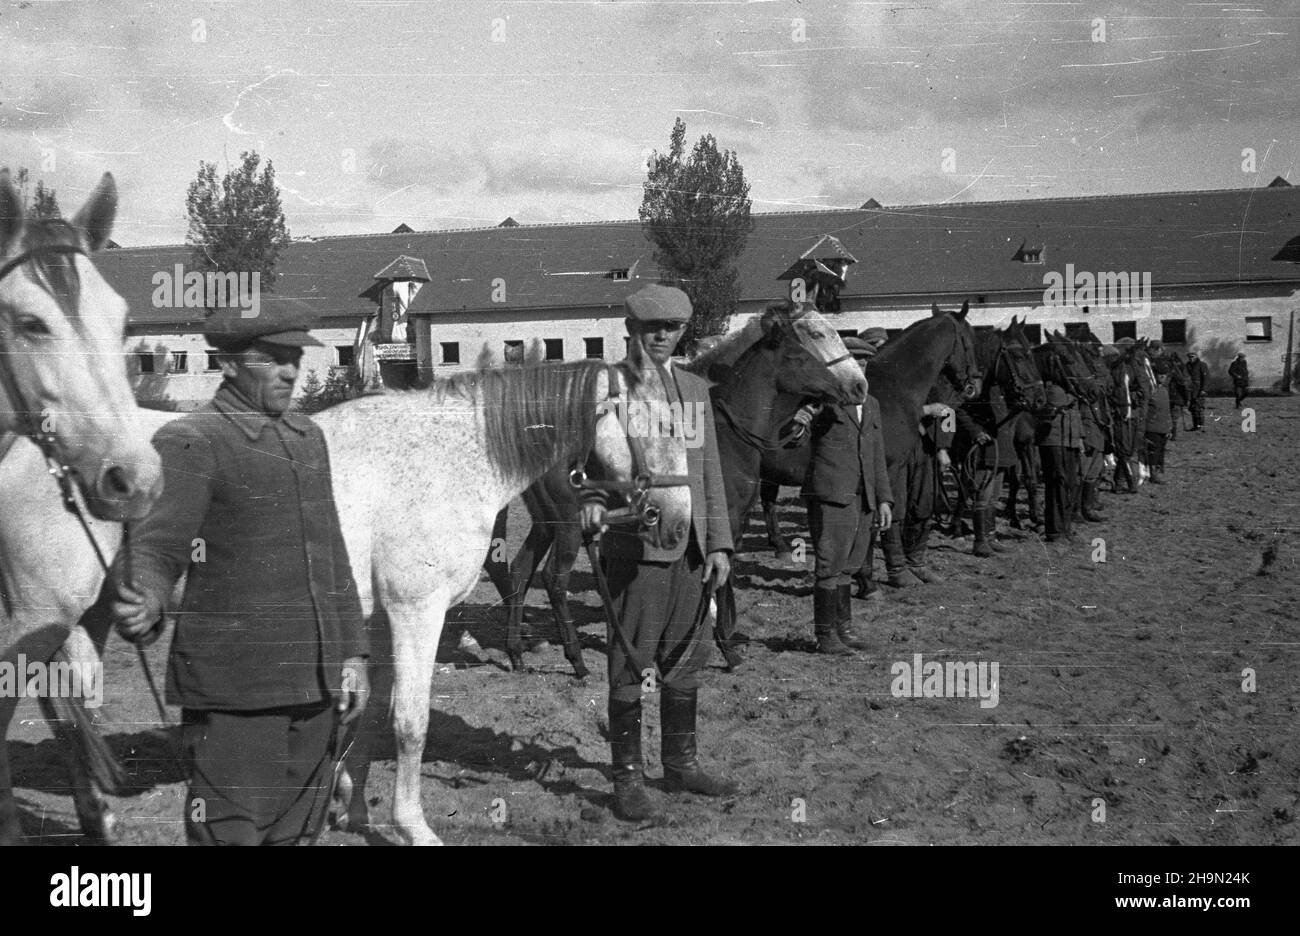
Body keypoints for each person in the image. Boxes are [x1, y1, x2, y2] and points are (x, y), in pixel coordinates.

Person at [108, 299, 370, 846]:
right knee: (230, 836)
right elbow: (157, 546)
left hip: (316, 686)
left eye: (295, 356)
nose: (291, 371)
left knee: (297, 835)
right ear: (227, 363)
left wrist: (353, 655)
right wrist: (149, 597)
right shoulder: (193, 440)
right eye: (273, 359)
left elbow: (334, 553)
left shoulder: (307, 438)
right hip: (235, 695)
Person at [578, 284, 735, 822]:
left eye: (673, 327)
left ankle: (680, 764)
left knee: (686, 657)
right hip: (638, 550)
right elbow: (589, 467)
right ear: (632, 330)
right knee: (630, 662)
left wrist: (719, 544)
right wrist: (596, 506)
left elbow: (709, 472)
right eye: (652, 328)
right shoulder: (610, 388)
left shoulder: (694, 389)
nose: (663, 336)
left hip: (692, 550)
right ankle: (626, 779)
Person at [802, 337, 894, 654]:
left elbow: (877, 455)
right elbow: (791, 437)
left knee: (850, 566)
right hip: (832, 496)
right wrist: (800, 419)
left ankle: (845, 629)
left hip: (863, 497)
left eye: (865, 363)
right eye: (855, 362)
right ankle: (825, 635)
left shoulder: (872, 405)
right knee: (829, 565)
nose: (860, 368)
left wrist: (883, 499)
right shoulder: (822, 401)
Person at [1036, 382, 1084, 543]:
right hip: (1053, 441)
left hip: (1070, 441)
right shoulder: (1050, 387)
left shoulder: (1072, 385)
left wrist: (1080, 438)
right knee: (1057, 484)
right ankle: (1055, 531)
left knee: (1070, 484)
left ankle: (1065, 528)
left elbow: (1077, 414)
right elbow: (1042, 410)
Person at [1145, 363, 1172, 483]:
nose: (1162, 377)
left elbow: (1167, 410)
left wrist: (1169, 427)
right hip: (1152, 427)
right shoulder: (1151, 389)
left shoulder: (1164, 390)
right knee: (1153, 451)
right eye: (1160, 374)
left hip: (1163, 427)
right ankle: (1153, 474)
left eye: (1164, 375)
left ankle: (1159, 472)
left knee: (1161, 451)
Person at [1186, 350, 1209, 430]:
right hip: (1191, 390)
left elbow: (1206, 378)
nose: (1190, 358)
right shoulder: (1188, 365)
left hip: (1199, 390)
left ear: (1196, 357)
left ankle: (1201, 426)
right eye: (1189, 357)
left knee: (1199, 408)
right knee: (1192, 408)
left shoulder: (1202, 365)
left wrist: (1203, 389)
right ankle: (1195, 426)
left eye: (1192, 357)